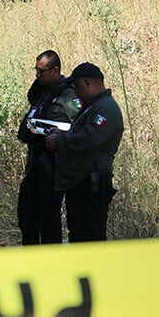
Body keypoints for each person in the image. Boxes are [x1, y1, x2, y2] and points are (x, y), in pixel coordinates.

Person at [44, 62, 123, 242]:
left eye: (77, 87)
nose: (76, 92)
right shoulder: (92, 106)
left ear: (86, 83)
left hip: (90, 186)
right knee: (79, 234)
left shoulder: (106, 108)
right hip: (80, 184)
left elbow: (90, 138)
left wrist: (59, 141)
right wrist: (62, 134)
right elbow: (80, 133)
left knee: (89, 237)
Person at [16, 50, 82, 245]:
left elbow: (79, 125)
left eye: (41, 71)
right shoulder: (41, 93)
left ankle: (50, 262)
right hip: (35, 162)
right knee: (26, 212)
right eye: (36, 70)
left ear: (55, 70)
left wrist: (59, 135)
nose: (37, 75)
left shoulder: (68, 95)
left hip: (53, 164)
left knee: (48, 217)